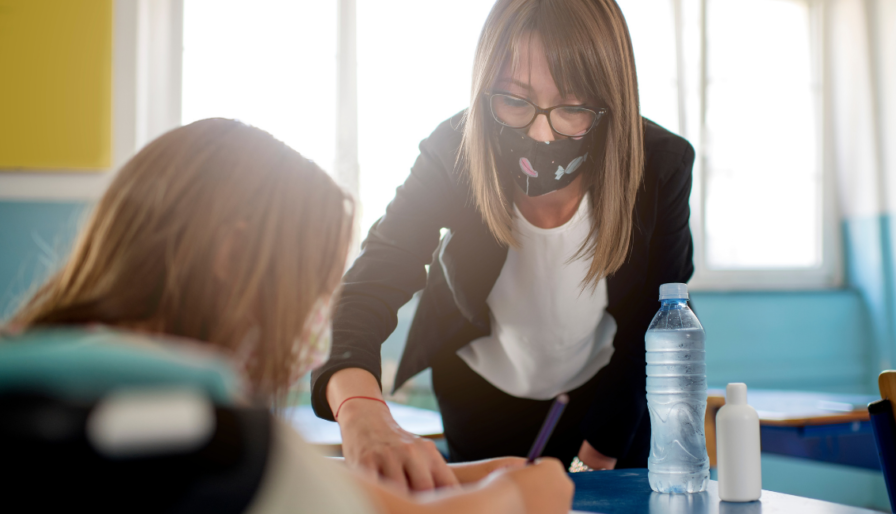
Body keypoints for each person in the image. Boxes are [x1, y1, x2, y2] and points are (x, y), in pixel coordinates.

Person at [2, 118, 573, 514]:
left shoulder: (50, 381)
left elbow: (312, 486)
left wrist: (475, 475)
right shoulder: (203, 425)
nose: (314, 320)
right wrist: (525, 493)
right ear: (231, 255)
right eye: (311, 287)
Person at [314, 0, 696, 492]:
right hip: (481, 395)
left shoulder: (660, 167)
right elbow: (372, 279)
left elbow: (656, 317)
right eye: (514, 101)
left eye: (572, 107)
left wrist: (597, 454)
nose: (540, 132)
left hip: (610, 398)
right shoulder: (453, 151)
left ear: (611, 102)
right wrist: (361, 411)